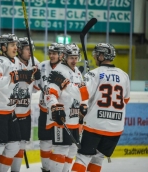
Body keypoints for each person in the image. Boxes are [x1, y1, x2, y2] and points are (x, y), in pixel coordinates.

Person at [48, 43, 130, 172]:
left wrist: (65, 84)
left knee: (82, 157)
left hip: (95, 125)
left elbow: (82, 94)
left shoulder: (94, 74)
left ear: (102, 56)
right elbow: (126, 100)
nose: (95, 56)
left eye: (97, 54)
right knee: (98, 158)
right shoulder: (124, 75)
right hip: (116, 127)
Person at [0, 33, 40, 172]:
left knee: (14, 145)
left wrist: (33, 76)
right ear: (3, 47)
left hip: (9, 111)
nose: (16, 47)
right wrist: (12, 77)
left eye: (16, 45)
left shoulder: (16, 62)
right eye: (12, 45)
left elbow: (26, 79)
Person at [44, 43, 87, 172]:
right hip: (61, 118)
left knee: (72, 149)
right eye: (71, 58)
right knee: (61, 149)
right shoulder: (59, 71)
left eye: (76, 57)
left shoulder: (78, 73)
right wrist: (54, 107)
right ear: (65, 57)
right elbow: (50, 93)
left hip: (74, 118)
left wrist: (84, 105)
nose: (74, 61)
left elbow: (83, 93)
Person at [10, 37, 41, 172]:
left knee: (21, 144)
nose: (31, 52)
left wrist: (38, 78)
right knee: (7, 145)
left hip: (25, 111)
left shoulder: (35, 64)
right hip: (10, 112)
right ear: (20, 49)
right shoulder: (13, 63)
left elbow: (36, 88)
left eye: (32, 49)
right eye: (28, 49)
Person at [36, 42, 64, 172]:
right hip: (44, 110)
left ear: (61, 55)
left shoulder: (65, 67)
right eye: (50, 53)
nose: (52, 55)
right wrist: (33, 77)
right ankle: (46, 169)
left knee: (61, 144)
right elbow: (36, 86)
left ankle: (60, 169)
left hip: (59, 111)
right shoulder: (42, 65)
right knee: (45, 141)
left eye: (55, 53)